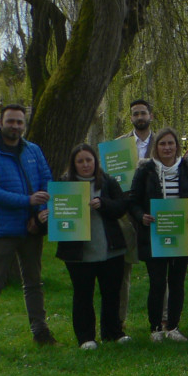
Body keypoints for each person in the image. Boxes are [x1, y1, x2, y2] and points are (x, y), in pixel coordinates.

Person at [0, 104, 56, 353]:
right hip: (0, 230)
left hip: (31, 230)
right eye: (10, 121)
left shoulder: (33, 150)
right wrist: (27, 201)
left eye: (20, 122)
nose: (15, 126)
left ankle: (41, 333)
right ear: (0, 122)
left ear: (24, 125)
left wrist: (38, 215)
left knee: (33, 283)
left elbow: (47, 181)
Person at [50, 143, 131, 349]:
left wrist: (103, 204)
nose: (85, 164)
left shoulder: (108, 181)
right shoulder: (64, 184)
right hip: (78, 252)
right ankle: (86, 337)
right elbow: (58, 213)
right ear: (73, 164)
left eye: (89, 160)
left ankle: (113, 332)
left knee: (111, 293)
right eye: (80, 161)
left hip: (110, 249)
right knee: (83, 295)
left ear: (95, 161)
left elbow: (121, 207)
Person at [129, 128, 188, 342]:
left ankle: (173, 327)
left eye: (171, 143)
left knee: (177, 282)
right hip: (154, 236)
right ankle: (155, 328)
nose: (167, 147)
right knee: (157, 283)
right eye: (162, 144)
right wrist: (141, 216)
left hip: (181, 235)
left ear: (177, 146)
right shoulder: (145, 170)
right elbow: (133, 202)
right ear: (156, 147)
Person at [117, 99, 156, 328]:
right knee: (122, 270)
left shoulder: (163, 142)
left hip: (154, 212)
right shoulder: (119, 146)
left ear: (151, 115)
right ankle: (119, 320)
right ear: (131, 117)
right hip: (126, 213)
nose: (139, 117)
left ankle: (162, 318)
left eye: (143, 113)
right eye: (135, 114)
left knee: (159, 269)